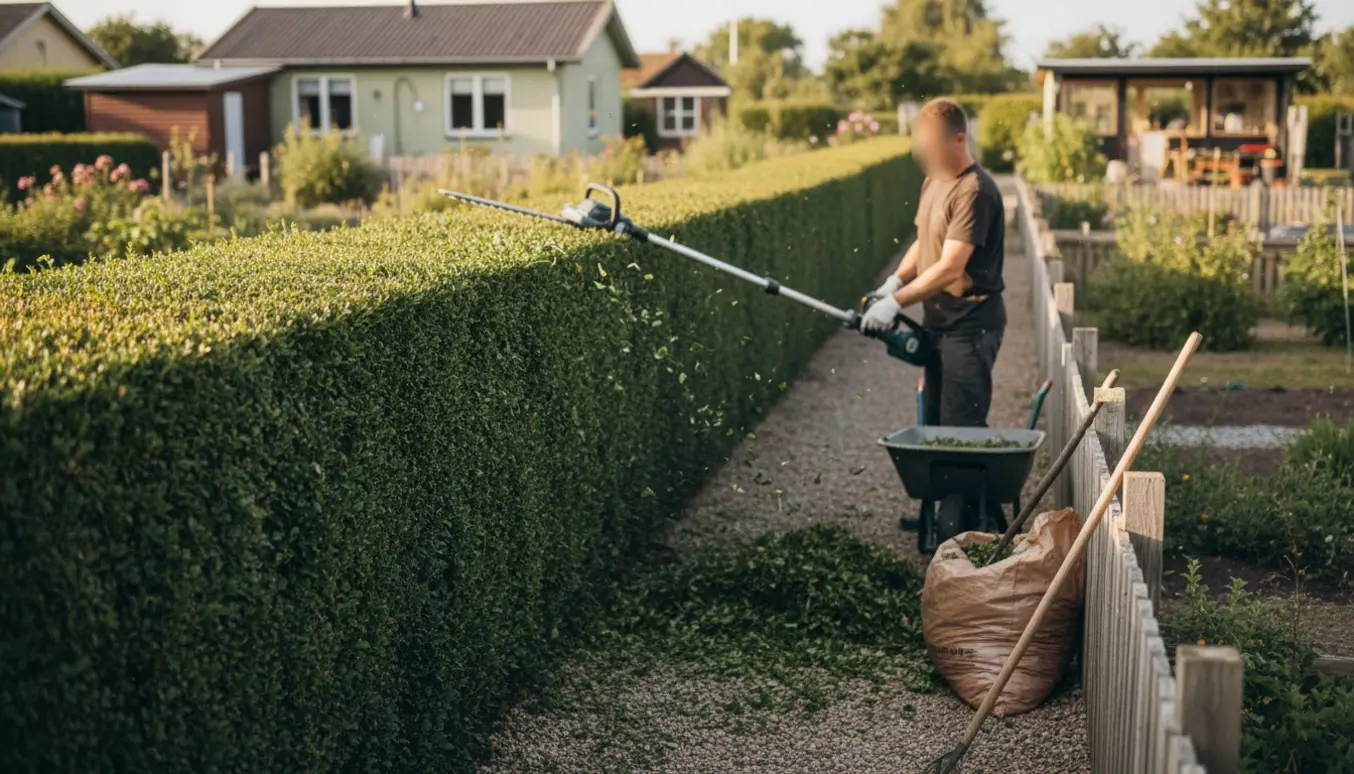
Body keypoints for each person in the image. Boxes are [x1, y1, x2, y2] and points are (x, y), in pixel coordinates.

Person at [860, 98, 1006, 543]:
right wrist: (893, 282)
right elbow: (923, 244)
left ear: (958, 139)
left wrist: (895, 303)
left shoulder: (975, 191)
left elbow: (949, 267)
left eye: (932, 146)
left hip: (971, 325)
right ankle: (947, 513)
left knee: (962, 428)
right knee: (940, 425)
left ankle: (964, 531)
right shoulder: (934, 181)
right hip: (941, 324)